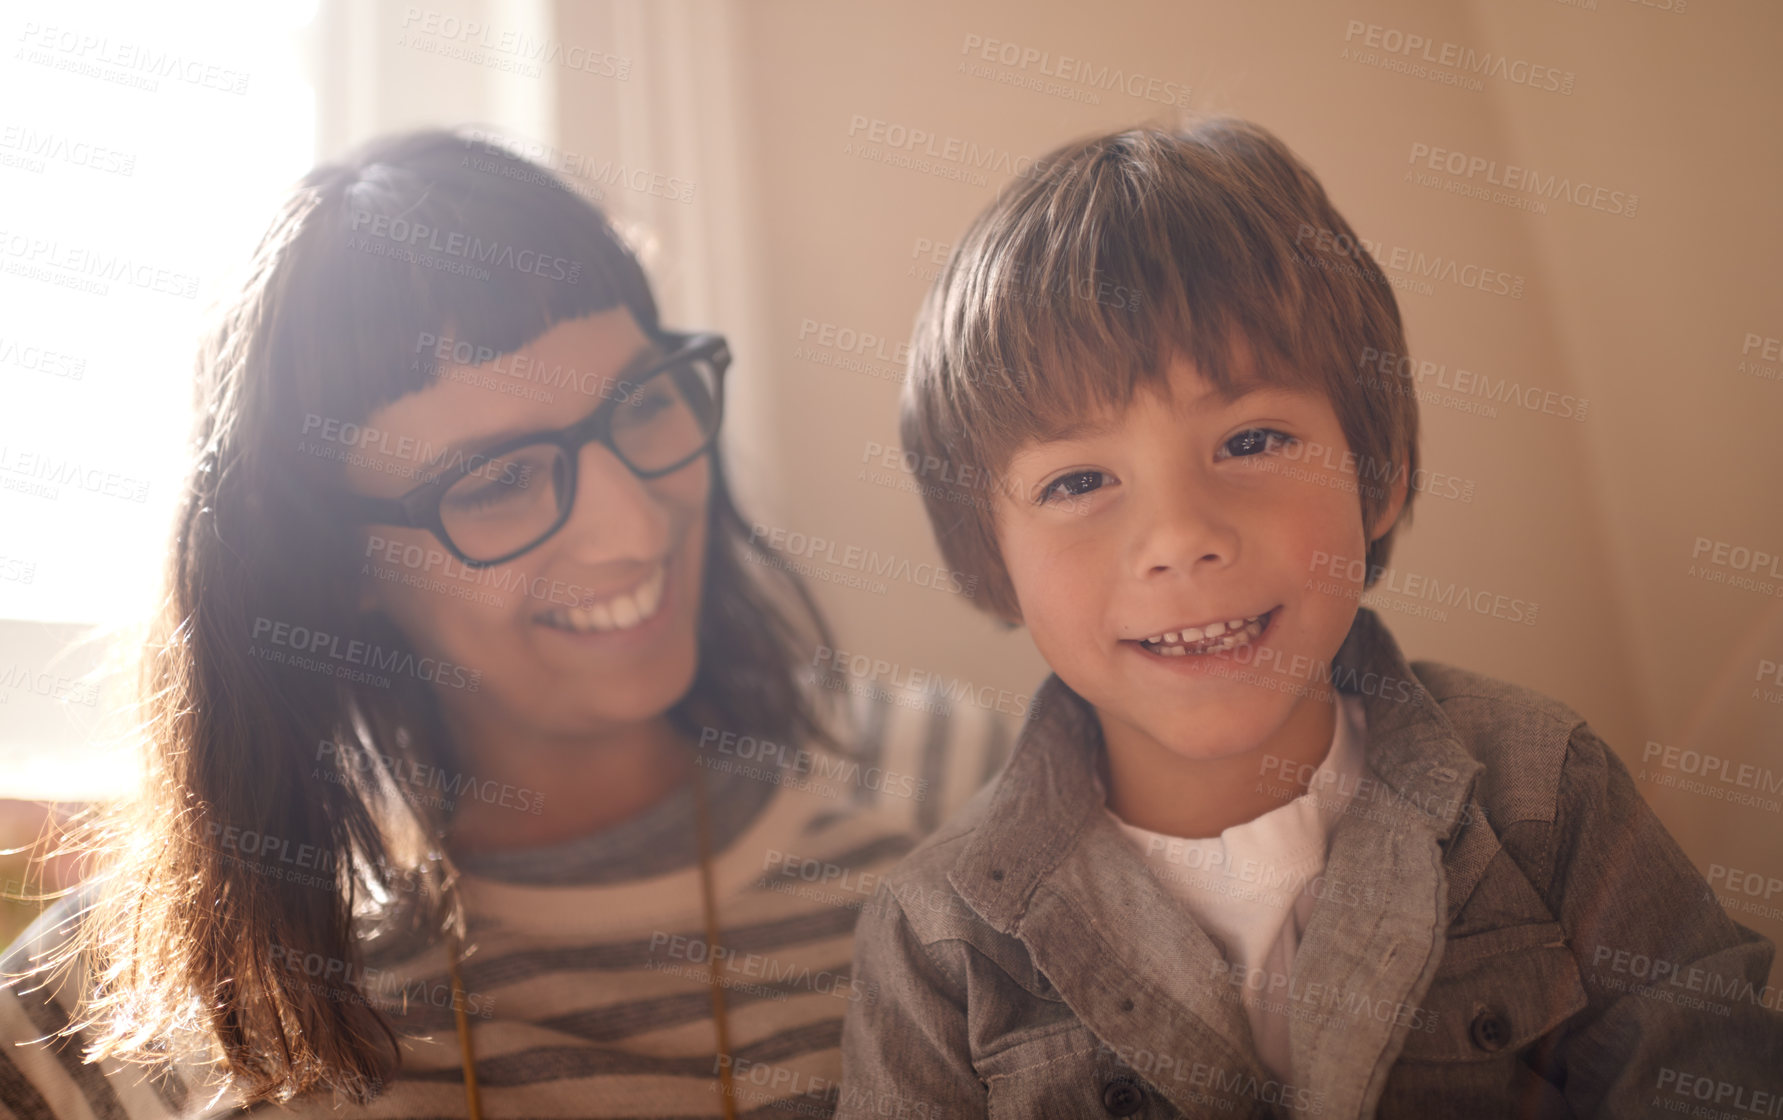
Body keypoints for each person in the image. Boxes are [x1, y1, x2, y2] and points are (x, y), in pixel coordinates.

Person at [0, 128, 1001, 1119]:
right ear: (334, 565)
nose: (636, 524)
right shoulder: (99, 1023)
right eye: (501, 480)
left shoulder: (962, 788)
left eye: (643, 403)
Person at [838, 118, 1783, 1117]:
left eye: (1249, 439)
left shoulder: (1544, 789)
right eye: (1078, 479)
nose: (1179, 535)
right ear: (990, 558)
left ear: (1377, 477)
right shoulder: (935, 942)